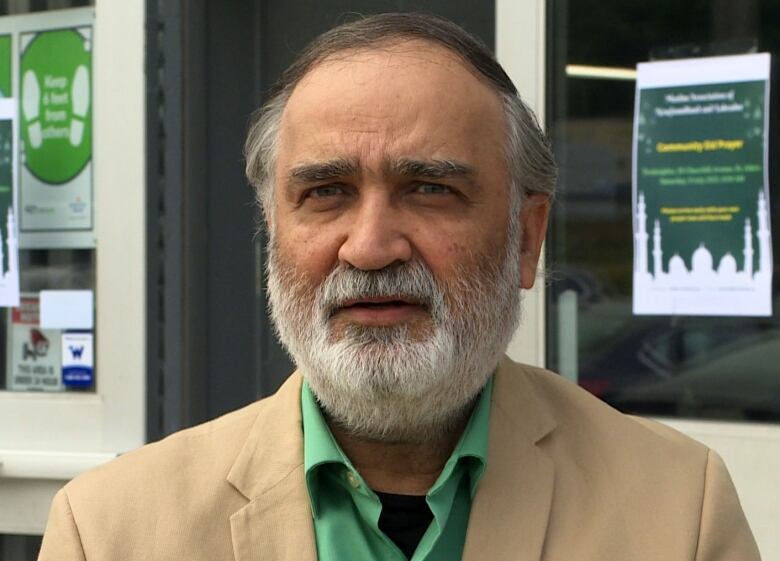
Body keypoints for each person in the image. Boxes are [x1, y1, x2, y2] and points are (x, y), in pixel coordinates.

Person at [38, 12, 760, 561]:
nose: (371, 246)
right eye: (325, 191)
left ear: (527, 239)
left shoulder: (677, 511)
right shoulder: (109, 531)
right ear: (273, 230)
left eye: (430, 187)